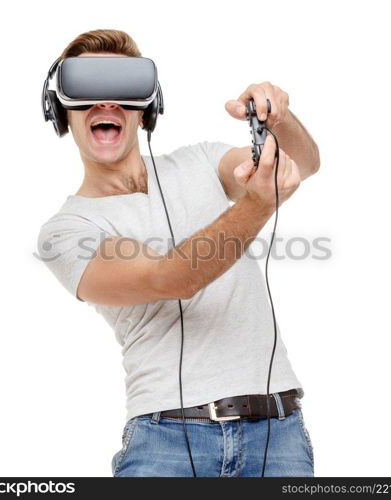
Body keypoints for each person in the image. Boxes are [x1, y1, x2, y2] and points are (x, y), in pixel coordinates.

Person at [37, 29, 320, 477]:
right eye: (87, 89)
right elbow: (172, 278)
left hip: (277, 437)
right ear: (60, 111)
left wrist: (278, 120)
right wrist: (258, 203)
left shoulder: (201, 162)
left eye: (123, 91)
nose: (106, 105)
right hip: (165, 441)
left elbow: (300, 164)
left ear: (146, 108)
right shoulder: (66, 232)